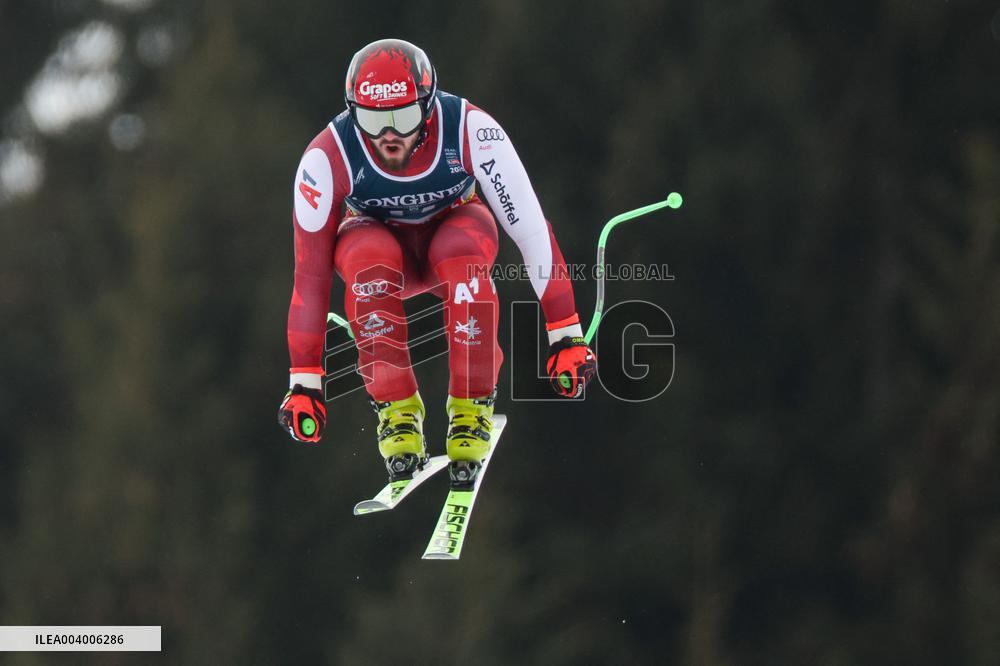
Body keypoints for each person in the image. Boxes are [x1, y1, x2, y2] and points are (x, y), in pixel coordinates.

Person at [277, 38, 596, 482]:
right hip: (382, 252)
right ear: (352, 112)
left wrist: (565, 332)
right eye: (372, 120)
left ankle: (471, 406)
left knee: (461, 258)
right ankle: (397, 410)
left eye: (403, 118)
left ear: (427, 108)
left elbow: (530, 230)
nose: (388, 135)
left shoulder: (471, 129)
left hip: (456, 233)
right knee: (367, 260)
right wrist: (304, 379)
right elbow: (310, 275)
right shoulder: (324, 159)